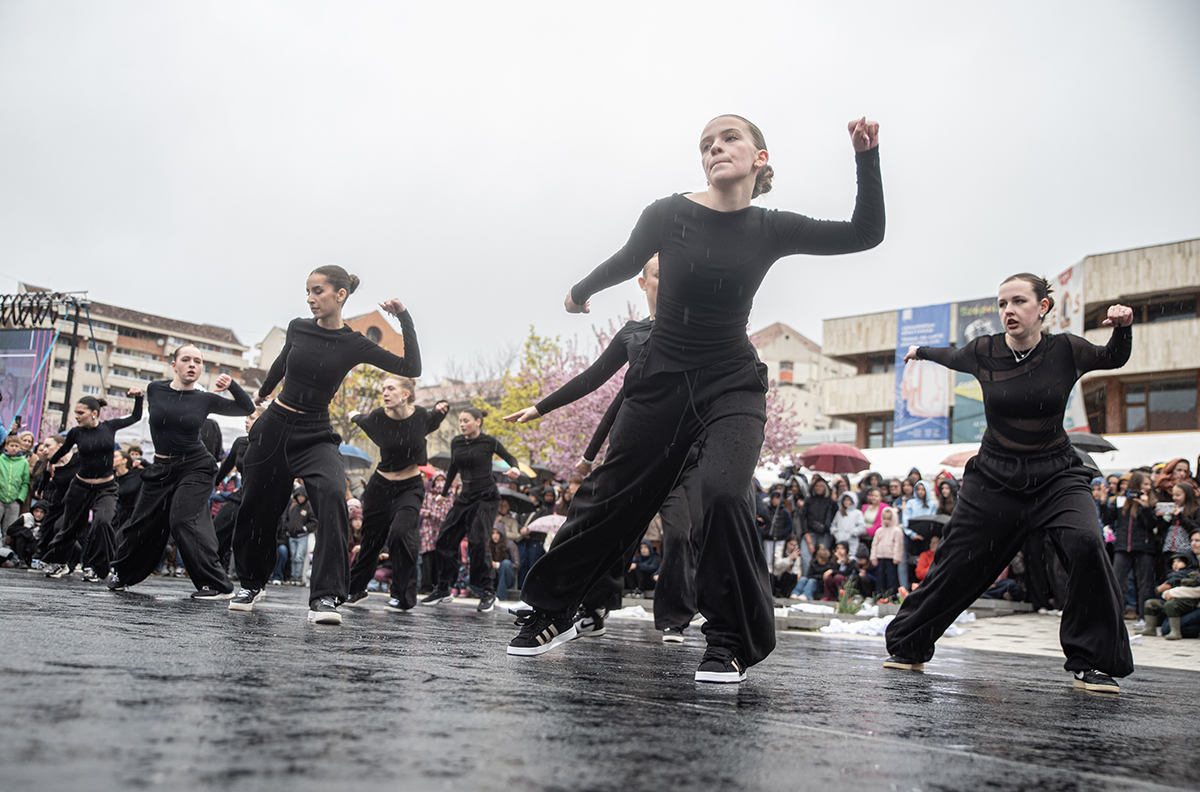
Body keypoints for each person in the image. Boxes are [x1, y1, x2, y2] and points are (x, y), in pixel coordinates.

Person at [509, 113, 884, 683]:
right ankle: (556, 608)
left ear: (760, 157)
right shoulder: (668, 212)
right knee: (612, 496)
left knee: (725, 496)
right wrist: (580, 291)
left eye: (729, 137)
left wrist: (866, 157)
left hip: (730, 382)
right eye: (706, 143)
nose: (715, 148)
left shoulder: (771, 227)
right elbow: (627, 259)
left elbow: (865, 233)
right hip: (662, 379)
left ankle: (730, 639)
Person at [885, 274, 1134, 694]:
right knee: (956, 560)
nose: (1008, 311)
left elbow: (1113, 358)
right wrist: (919, 351)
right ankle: (909, 643)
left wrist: (1124, 327)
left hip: (1056, 475)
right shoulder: (984, 351)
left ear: (1043, 308)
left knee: (1087, 544)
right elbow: (949, 354)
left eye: (1019, 301)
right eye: (1002, 304)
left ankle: (1092, 661)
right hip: (995, 479)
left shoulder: (1066, 350)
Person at [227, 265, 421, 625]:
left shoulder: (355, 343)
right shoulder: (298, 327)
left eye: (318, 291)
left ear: (340, 295)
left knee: (333, 495)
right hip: (274, 427)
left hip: (314, 431)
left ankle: (327, 597)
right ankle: (251, 583)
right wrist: (263, 392)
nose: (310, 298)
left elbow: (412, 366)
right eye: (308, 291)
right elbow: (281, 362)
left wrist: (404, 318)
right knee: (257, 506)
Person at [106, 346, 255, 597]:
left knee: (183, 520)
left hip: (195, 466)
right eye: (186, 360)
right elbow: (148, 412)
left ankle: (216, 584)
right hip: (161, 467)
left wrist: (231, 384)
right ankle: (124, 573)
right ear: (174, 365)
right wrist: (138, 399)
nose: (192, 365)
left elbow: (246, 408)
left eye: (198, 361)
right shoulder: (155, 388)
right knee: (142, 523)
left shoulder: (204, 398)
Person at [342, 375, 449, 611]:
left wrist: (443, 407)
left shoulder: (420, 416)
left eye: (390, 388)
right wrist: (352, 416)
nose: (385, 392)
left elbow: (434, 419)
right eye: (383, 389)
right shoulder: (379, 417)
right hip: (379, 487)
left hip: (410, 487)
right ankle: (356, 588)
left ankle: (403, 596)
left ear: (405, 394)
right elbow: (363, 420)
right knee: (371, 540)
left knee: (401, 534)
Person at [420, 408, 520, 613]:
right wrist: (445, 492)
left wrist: (515, 469)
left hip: (486, 496)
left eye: (466, 421)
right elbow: (453, 468)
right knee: (445, 539)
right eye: (461, 421)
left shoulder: (489, 441)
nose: (463, 424)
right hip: (465, 496)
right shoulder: (456, 442)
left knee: (476, 540)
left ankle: (488, 591)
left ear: (478, 421)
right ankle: (444, 588)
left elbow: (511, 458)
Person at [42, 391, 143, 581]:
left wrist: (138, 398)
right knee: (70, 526)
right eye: (76, 413)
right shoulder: (76, 432)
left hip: (105, 488)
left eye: (81, 413)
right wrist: (51, 463)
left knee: (102, 523)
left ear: (94, 413)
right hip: (80, 487)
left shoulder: (110, 427)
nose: (77, 416)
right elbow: (64, 449)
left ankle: (96, 567)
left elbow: (136, 416)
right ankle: (59, 563)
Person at [212, 406, 264, 573]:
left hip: (260, 501)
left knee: (248, 541)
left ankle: (254, 581)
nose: (246, 421)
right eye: (247, 418)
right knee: (217, 530)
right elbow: (226, 467)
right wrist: (210, 484)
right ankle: (216, 573)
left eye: (252, 418)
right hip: (240, 496)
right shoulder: (240, 442)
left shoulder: (270, 444)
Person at [1106, 470, 1158, 624]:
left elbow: (1151, 525)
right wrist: (1104, 502)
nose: (1148, 487)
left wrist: (1146, 507)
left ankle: (1145, 617)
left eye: (1150, 484)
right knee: (1118, 581)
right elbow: (1108, 519)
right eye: (1145, 484)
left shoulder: (1151, 501)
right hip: (1123, 546)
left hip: (1144, 547)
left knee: (1145, 583)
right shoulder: (1121, 501)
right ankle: (1115, 615)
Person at [869, 507, 904, 597]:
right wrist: (873, 556)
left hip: (891, 558)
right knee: (880, 578)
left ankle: (891, 596)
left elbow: (898, 545)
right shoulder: (879, 530)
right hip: (880, 557)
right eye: (884, 518)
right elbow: (874, 544)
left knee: (891, 578)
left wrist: (897, 557)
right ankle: (879, 596)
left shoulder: (896, 531)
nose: (886, 521)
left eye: (888, 519)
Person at [0, 433, 30, 531]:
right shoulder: (1, 460)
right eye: (11, 445)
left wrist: (20, 498)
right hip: (0, 497)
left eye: (16, 446)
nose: (14, 448)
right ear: (6, 446)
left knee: (9, 527)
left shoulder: (24, 462)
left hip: (14, 500)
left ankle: (6, 545)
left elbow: (25, 482)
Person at [112, 449, 143, 531]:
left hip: (137, 513)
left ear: (124, 460)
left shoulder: (137, 473)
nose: (112, 459)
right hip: (121, 515)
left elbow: (154, 472)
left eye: (115, 456)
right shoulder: (112, 480)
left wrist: (142, 463)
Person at [830, 492, 866, 558]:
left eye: (848, 500)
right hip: (840, 540)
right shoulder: (839, 513)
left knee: (851, 558)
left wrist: (852, 532)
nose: (846, 502)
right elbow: (833, 525)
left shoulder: (857, 513)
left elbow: (862, 527)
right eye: (845, 500)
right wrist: (835, 532)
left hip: (852, 541)